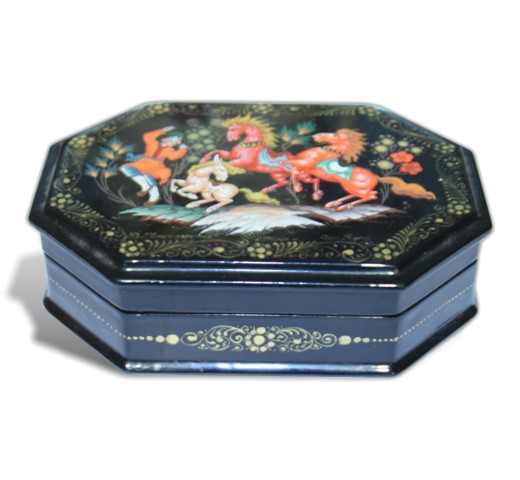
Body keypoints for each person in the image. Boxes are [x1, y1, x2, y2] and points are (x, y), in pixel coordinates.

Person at [119, 126, 188, 207]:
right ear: (164, 138)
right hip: (143, 162)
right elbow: (146, 136)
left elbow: (172, 157)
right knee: (126, 168)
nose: (172, 143)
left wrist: (182, 150)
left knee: (149, 178)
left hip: (156, 165)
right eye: (172, 140)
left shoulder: (170, 150)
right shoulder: (153, 143)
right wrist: (163, 130)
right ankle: (145, 187)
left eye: (175, 142)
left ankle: (154, 198)